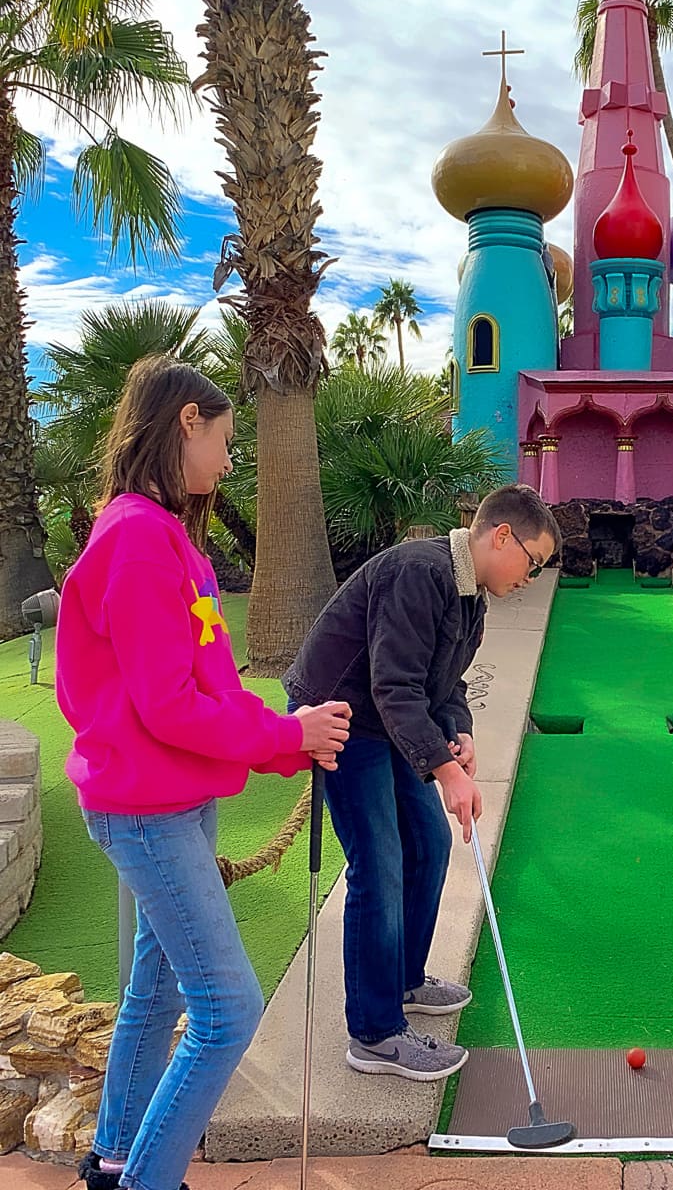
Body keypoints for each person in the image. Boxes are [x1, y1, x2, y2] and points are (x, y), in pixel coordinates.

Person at [56, 356, 352, 1190]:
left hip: (174, 800)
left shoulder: (161, 534)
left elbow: (203, 688)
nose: (228, 462)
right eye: (223, 440)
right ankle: (147, 1180)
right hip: (147, 807)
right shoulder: (141, 541)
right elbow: (169, 708)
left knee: (154, 990)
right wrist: (285, 734)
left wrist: (289, 736)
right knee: (227, 1013)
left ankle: (115, 1160)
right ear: (186, 422)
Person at [283, 483, 561, 1081]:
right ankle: (375, 1034)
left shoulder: (472, 596)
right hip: (341, 719)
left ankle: (404, 980)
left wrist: (458, 736)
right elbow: (393, 685)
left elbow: (444, 686)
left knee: (429, 844)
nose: (531, 577)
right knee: (379, 863)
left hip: (388, 719)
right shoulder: (419, 571)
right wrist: (444, 771)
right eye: (533, 562)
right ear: (502, 536)